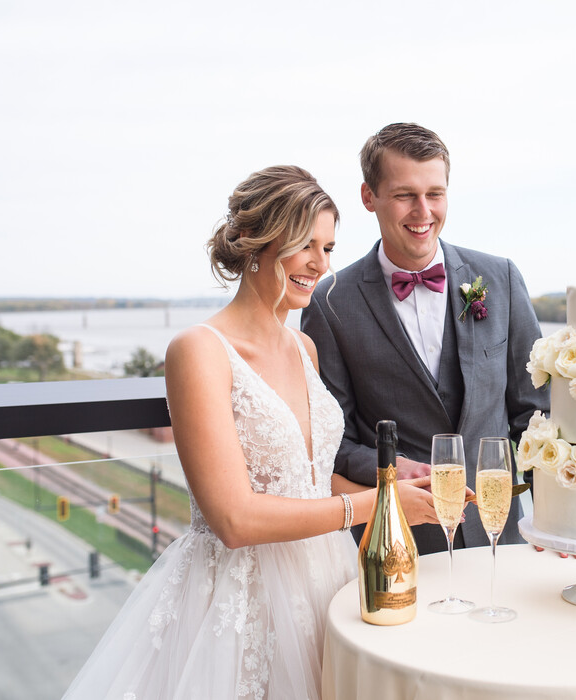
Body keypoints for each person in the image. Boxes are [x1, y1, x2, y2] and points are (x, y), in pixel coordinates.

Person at [62, 165, 438, 700]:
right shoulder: (198, 350)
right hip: (238, 599)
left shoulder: (305, 348)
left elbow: (309, 478)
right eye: (304, 244)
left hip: (328, 582)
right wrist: (375, 506)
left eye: (328, 248)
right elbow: (233, 519)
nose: (319, 264)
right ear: (258, 245)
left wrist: (401, 503)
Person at [301, 124, 549, 556]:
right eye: (404, 195)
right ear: (368, 197)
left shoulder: (500, 278)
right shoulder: (330, 303)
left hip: (501, 538)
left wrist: (556, 520)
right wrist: (390, 468)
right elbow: (331, 443)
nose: (423, 211)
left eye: (435, 194)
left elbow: (538, 417)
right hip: (399, 545)